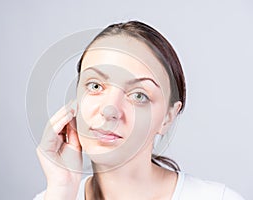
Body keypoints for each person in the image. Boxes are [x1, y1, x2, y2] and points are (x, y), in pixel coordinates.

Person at [33, 21, 245, 200]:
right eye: (95, 86)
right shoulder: (54, 195)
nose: (110, 110)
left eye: (138, 96)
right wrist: (61, 190)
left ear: (167, 118)